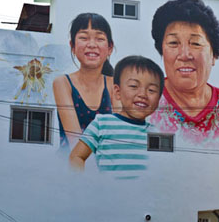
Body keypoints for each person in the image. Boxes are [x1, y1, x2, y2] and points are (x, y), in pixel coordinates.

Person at [148, 0, 219, 147]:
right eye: (173, 43)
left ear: (214, 55)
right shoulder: (144, 102)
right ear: (162, 52)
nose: (184, 55)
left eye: (195, 44)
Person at [69, 55, 164, 179]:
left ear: (158, 99)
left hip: (142, 196)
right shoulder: (101, 123)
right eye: (134, 86)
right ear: (117, 92)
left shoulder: (155, 133)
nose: (143, 94)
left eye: (151, 90)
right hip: (110, 195)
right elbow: (77, 156)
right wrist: (82, 183)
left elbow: (160, 168)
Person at [53, 13, 116, 150]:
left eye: (99, 38)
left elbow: (119, 136)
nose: (92, 44)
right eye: (83, 37)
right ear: (73, 46)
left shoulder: (114, 86)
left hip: (107, 166)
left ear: (109, 48)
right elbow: (76, 142)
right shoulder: (63, 83)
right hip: (69, 167)